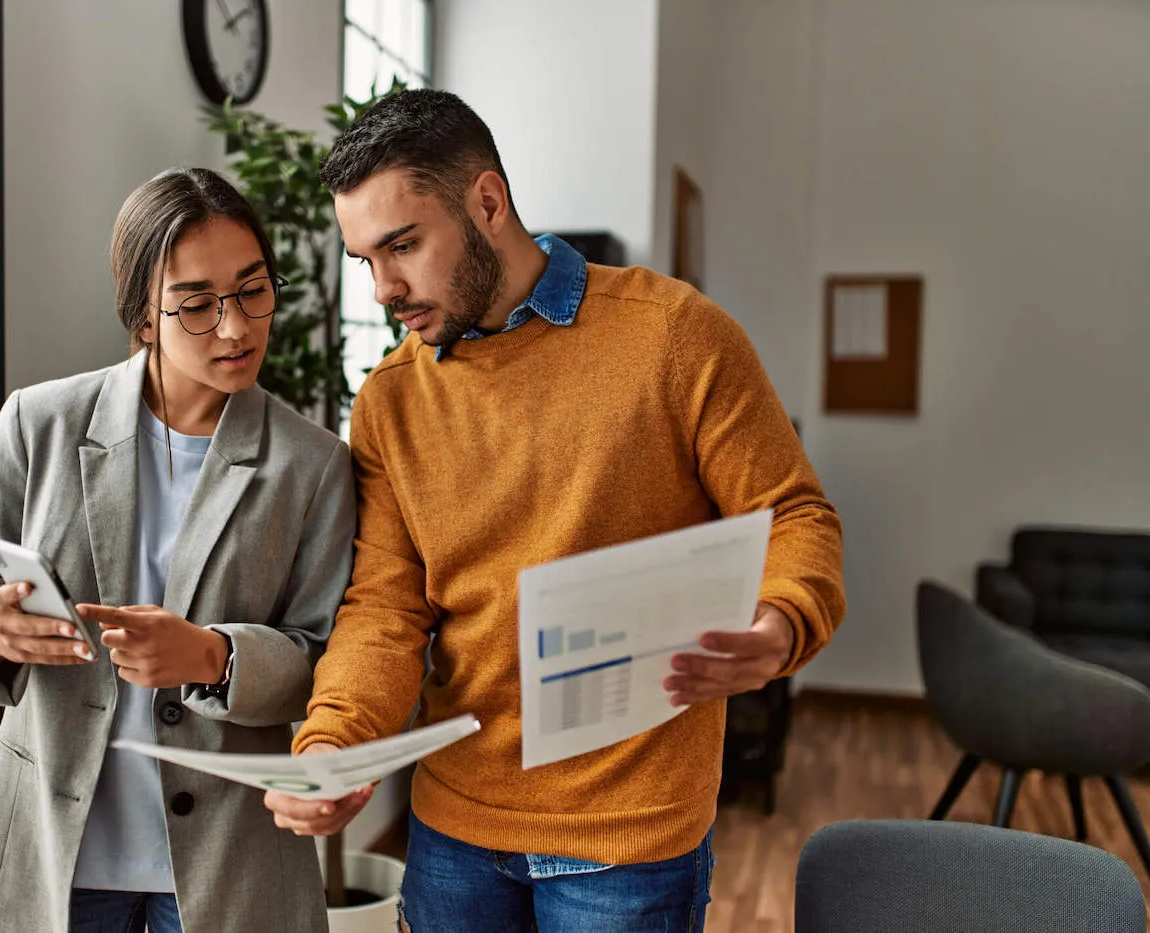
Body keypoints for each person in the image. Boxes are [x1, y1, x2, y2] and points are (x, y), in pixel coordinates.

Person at [263, 90, 846, 931]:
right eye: (366, 260)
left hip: (629, 837)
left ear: (487, 203)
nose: (386, 287)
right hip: (455, 829)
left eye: (403, 245)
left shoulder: (674, 335)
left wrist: (778, 625)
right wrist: (332, 740)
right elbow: (386, 604)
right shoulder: (391, 400)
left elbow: (795, 514)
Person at [0, 167, 353, 932]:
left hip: (229, 857)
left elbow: (325, 656)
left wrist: (212, 656)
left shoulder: (314, 464)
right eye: (196, 305)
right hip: (57, 848)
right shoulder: (40, 423)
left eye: (253, 289)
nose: (235, 327)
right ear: (142, 314)